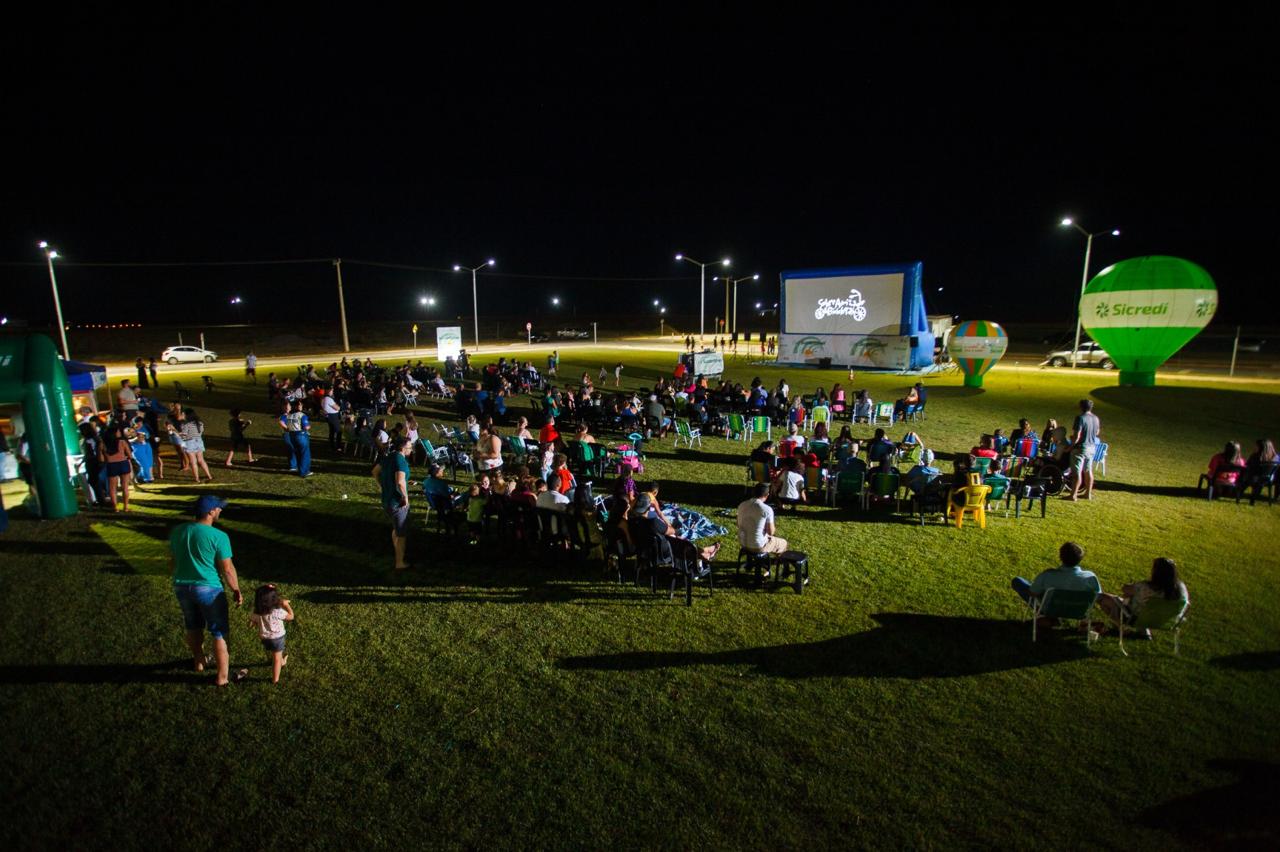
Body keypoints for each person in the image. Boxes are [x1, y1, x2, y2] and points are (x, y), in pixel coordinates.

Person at [170, 495, 245, 686]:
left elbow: (172, 560)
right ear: (211, 512)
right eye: (218, 508)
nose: (220, 510)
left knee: (192, 625)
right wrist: (236, 589)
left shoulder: (178, 531)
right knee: (219, 632)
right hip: (208, 589)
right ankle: (222, 677)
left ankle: (199, 662)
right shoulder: (218, 536)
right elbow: (227, 569)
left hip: (181, 586)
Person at [1096, 557, 1190, 639]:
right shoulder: (1181, 588)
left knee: (1103, 598)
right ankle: (1144, 632)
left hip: (1137, 619)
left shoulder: (1146, 587)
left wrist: (1132, 587)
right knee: (1142, 605)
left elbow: (1125, 589)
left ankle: (1120, 630)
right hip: (1166, 621)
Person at [1010, 541, 1101, 626]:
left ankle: (1044, 615)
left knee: (1018, 581)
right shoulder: (1090, 577)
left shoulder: (1048, 575)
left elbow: (1032, 593)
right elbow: (1098, 597)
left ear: (1060, 557)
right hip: (1077, 611)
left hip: (1049, 609)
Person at [374, 436, 415, 571]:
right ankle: (399, 562)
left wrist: (382, 485)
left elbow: (375, 471)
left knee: (396, 528)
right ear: (403, 448)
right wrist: (406, 498)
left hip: (386, 500)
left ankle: (397, 550)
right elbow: (400, 481)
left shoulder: (389, 457)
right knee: (402, 534)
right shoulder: (401, 461)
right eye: (410, 447)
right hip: (397, 503)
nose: (411, 449)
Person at [249, 584, 294, 684]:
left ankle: (279, 659)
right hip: (277, 639)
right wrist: (286, 605)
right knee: (277, 659)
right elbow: (291, 617)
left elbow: (251, 621)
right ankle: (275, 679)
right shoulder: (277, 612)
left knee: (273, 651)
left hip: (264, 638)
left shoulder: (256, 612)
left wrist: (253, 623)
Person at [737, 482, 789, 555]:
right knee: (783, 543)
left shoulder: (742, 505)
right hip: (758, 546)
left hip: (742, 542)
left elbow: (738, 524)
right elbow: (771, 532)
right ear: (767, 495)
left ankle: (753, 562)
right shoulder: (766, 509)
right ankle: (778, 562)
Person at [1067, 399, 1101, 501]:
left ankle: (1073, 495)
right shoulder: (1096, 418)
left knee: (1076, 472)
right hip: (1091, 447)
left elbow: (1077, 435)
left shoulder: (1080, 418)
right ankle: (1087, 494)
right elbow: (1097, 432)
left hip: (1081, 448)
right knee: (1088, 471)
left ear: (1081, 407)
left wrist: (1071, 446)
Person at [98, 421, 134, 511]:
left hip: (111, 465)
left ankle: (115, 507)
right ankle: (126, 507)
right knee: (125, 486)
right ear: (114, 434)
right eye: (118, 432)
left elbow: (101, 459)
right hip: (123, 464)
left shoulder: (103, 444)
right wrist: (124, 457)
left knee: (112, 488)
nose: (119, 433)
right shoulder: (122, 442)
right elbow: (130, 456)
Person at [178, 408, 213, 483]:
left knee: (193, 462)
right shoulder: (200, 423)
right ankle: (209, 476)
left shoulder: (185, 425)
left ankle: (197, 479)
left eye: (183, 414)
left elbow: (184, 436)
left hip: (190, 443)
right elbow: (201, 432)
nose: (182, 415)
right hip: (199, 441)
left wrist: (178, 434)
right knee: (201, 460)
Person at [279, 400, 313, 478]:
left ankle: (299, 469)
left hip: (291, 435)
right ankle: (304, 472)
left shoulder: (288, 416)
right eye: (299, 405)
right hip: (301, 435)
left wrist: (287, 428)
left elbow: (283, 422)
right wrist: (309, 427)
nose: (300, 406)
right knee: (305, 453)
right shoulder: (302, 415)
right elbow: (306, 427)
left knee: (297, 453)